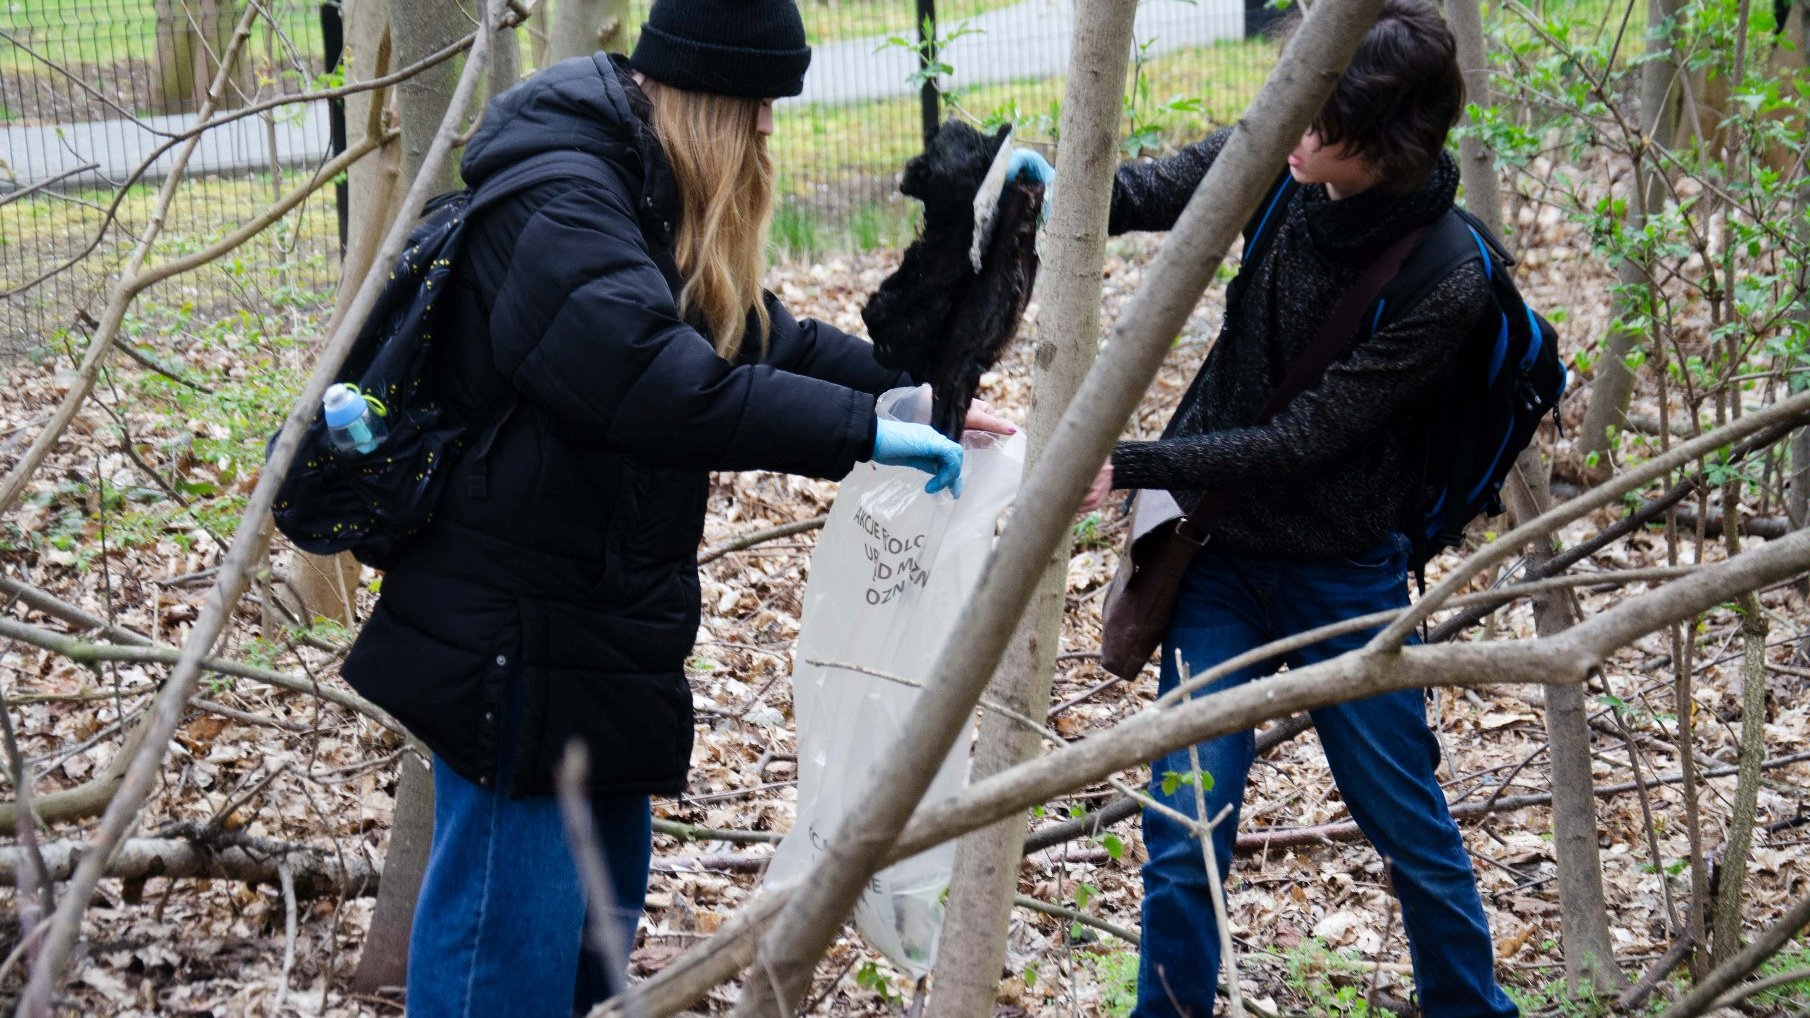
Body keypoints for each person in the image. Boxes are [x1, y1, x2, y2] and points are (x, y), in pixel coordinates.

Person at [338, 2, 1013, 1014]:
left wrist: (901, 396)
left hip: (600, 635)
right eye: (755, 112)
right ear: (706, 101)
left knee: (590, 963)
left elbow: (746, 333)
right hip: (515, 647)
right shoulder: (561, 205)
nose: (767, 136)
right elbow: (657, 384)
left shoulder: (636, 190)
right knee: (502, 966)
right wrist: (860, 435)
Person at [1071, 1, 1522, 1014]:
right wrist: (1037, 188)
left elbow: (1301, 440)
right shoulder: (1284, 162)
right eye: (1298, 106)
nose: (1294, 132)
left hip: (1341, 574)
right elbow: (1153, 192)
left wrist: (1129, 456)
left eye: (1322, 122)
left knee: (1407, 824)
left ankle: (1468, 1005)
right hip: (1218, 561)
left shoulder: (1444, 276)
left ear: (1388, 144)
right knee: (1184, 827)